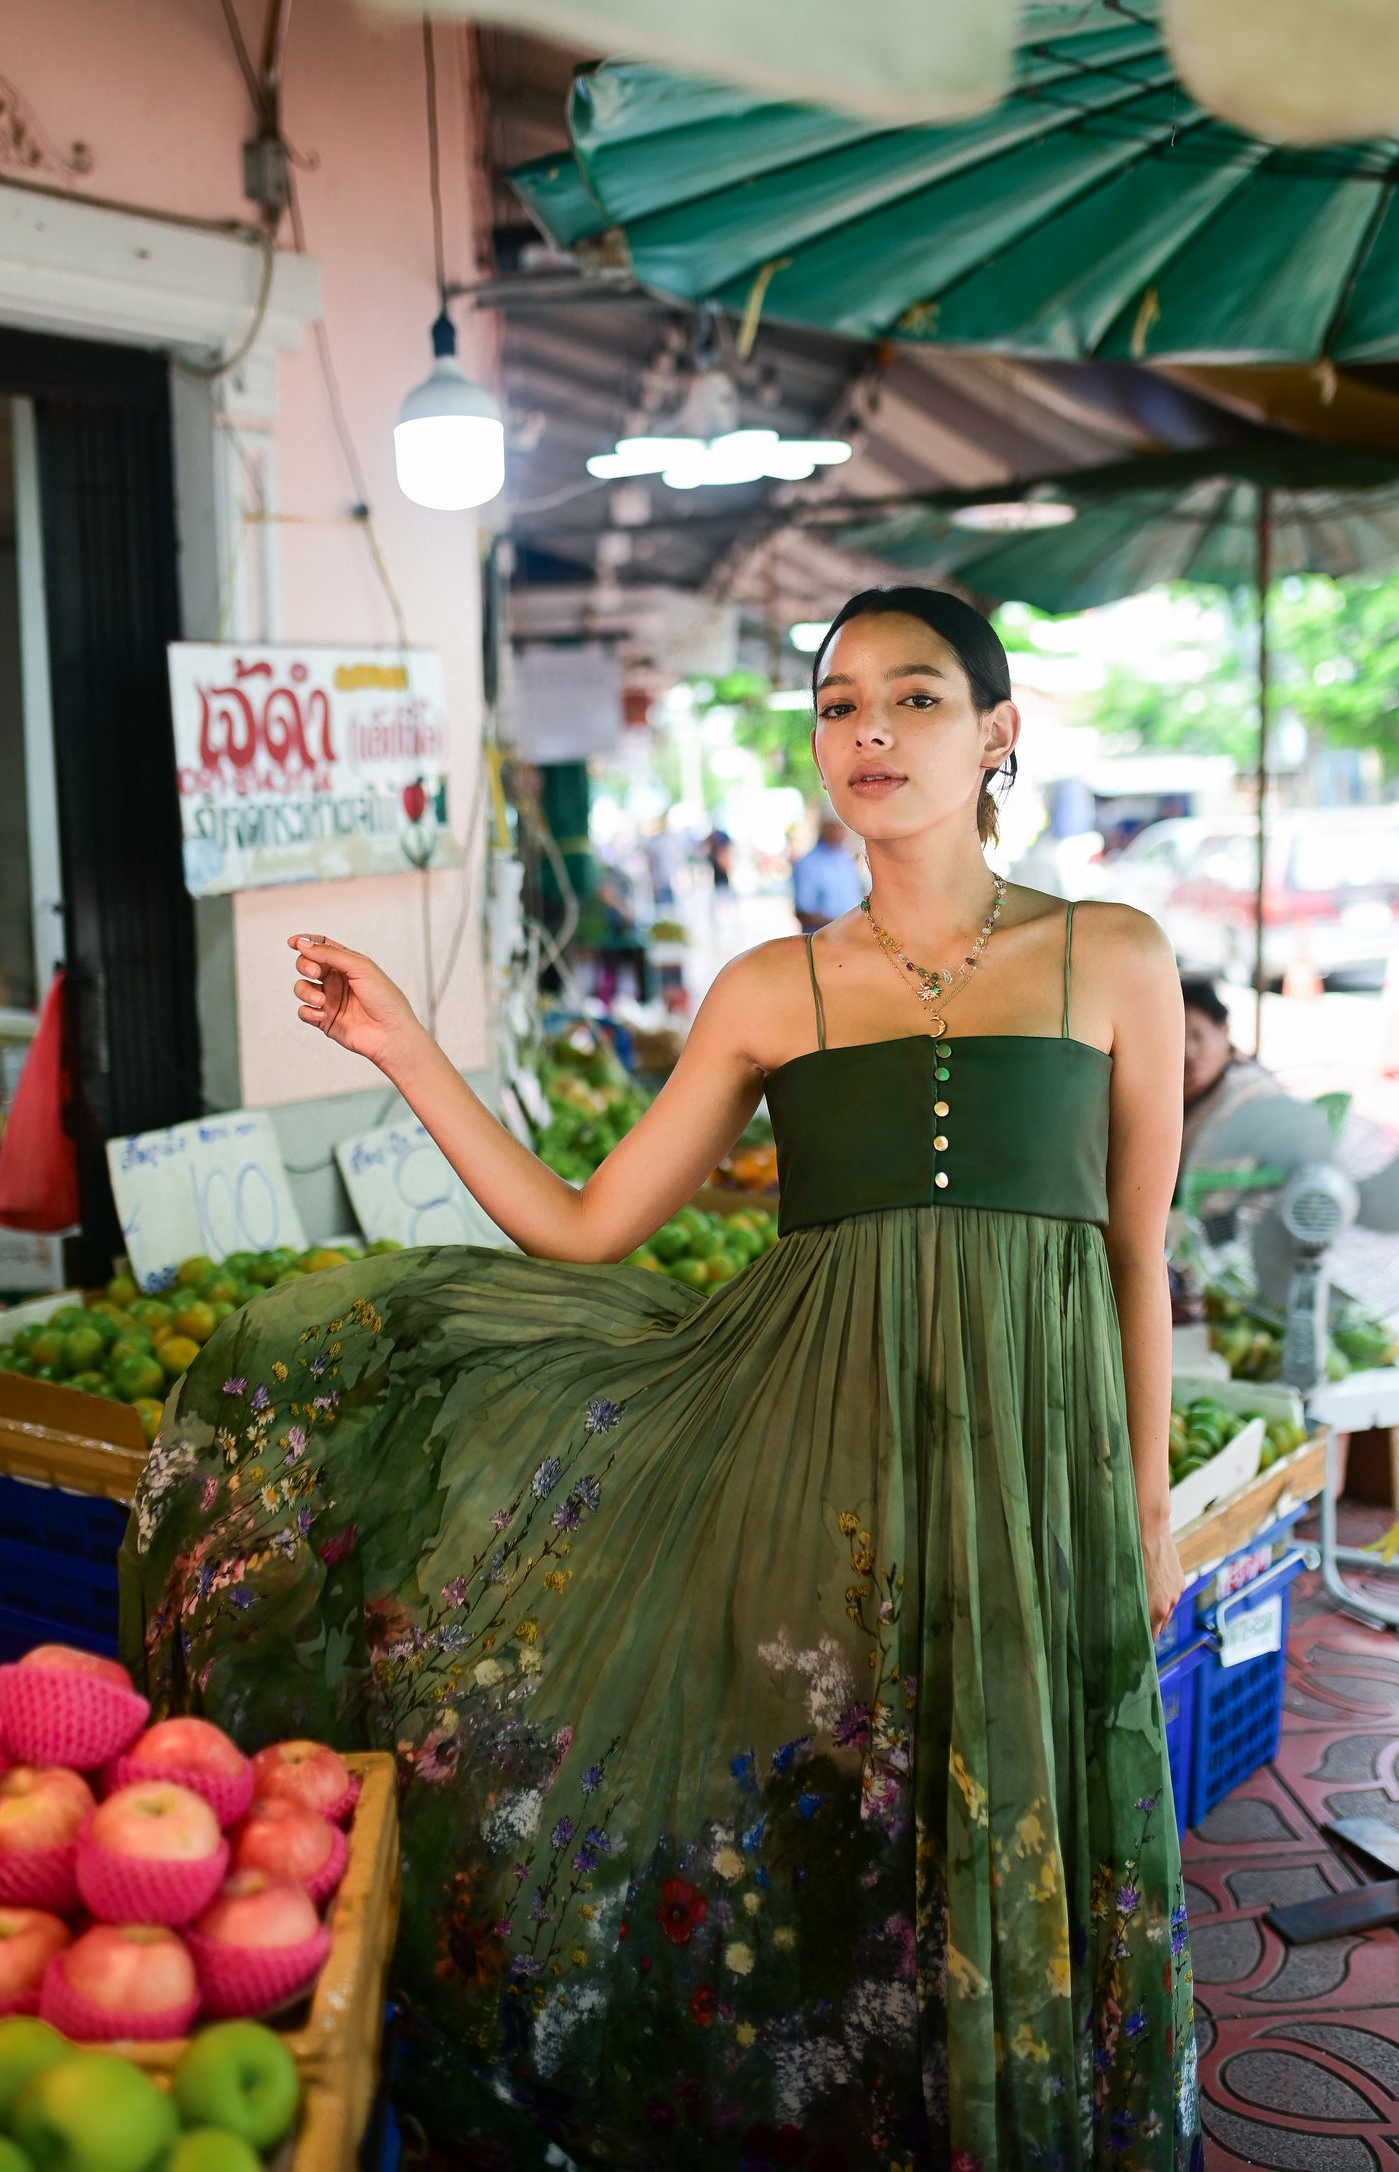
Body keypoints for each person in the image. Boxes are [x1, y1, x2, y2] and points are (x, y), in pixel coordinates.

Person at [122, 586, 1200, 2171]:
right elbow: (584, 1225)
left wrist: (1150, 1494)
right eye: (839, 705)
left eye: (914, 699)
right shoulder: (771, 989)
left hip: (1035, 1471)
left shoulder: (1112, 955)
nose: (873, 733)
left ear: (998, 734)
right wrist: (412, 1050)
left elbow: (1133, 1251)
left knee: (1013, 1798)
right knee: (830, 1835)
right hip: (806, 1466)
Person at [1180, 976, 1283, 1182]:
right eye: (1178, 1040)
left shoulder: (1251, 1090)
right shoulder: (1192, 1092)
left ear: (1224, 1030)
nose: (1188, 1052)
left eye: (1198, 1036)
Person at [791, 813, 865, 932]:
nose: (843, 832)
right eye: (837, 826)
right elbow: (803, 912)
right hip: (822, 940)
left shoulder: (845, 859)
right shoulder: (807, 864)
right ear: (825, 827)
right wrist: (843, 924)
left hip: (850, 938)